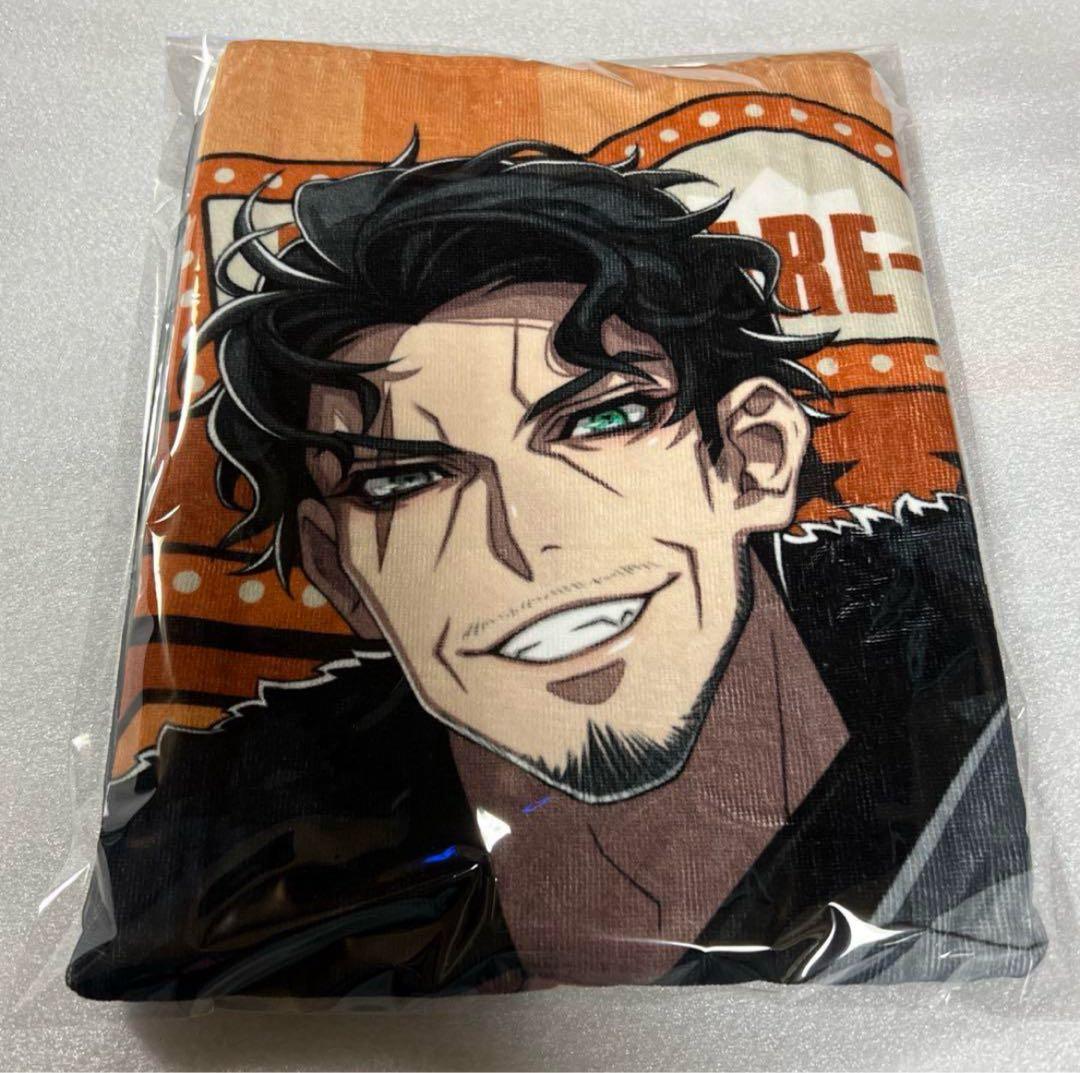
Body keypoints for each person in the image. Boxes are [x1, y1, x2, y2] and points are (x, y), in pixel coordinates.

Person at [68, 138, 1042, 999]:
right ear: (342, 573)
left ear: (753, 457)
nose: (527, 544)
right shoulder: (216, 861)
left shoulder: (976, 713)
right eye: (407, 478)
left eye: (601, 419)